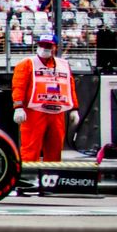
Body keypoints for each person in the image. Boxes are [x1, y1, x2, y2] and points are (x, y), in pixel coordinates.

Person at [11, 31, 79, 162]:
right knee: (30, 148)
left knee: (55, 149)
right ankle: (29, 173)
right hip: (34, 112)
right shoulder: (27, 63)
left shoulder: (64, 65)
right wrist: (18, 107)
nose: (44, 48)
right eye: (42, 45)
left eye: (48, 46)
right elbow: (18, 86)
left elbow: (70, 87)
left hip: (57, 113)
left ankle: (51, 174)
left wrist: (74, 109)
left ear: (55, 47)